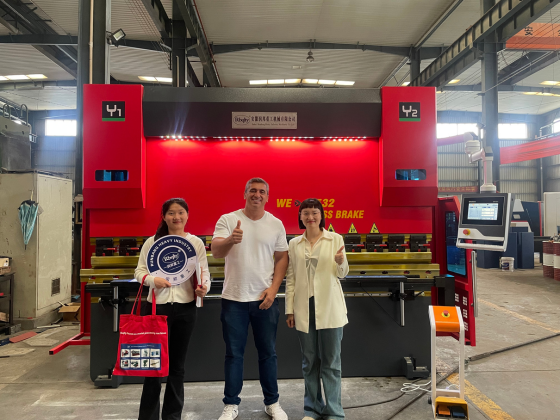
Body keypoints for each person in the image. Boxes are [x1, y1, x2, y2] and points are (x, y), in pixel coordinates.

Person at [212, 177, 290, 420]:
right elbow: (215, 251)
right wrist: (230, 240)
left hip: (264, 300)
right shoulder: (228, 220)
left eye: (262, 192)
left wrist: (274, 288)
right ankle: (231, 404)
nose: (257, 195)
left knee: (268, 352)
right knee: (234, 354)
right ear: (244, 194)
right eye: (253, 191)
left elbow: (282, 258)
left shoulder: (276, 223)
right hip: (234, 299)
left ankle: (272, 403)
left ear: (268, 197)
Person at [135, 198, 211, 420]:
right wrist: (152, 280)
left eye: (180, 212)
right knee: (153, 367)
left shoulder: (195, 243)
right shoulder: (152, 243)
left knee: (177, 367)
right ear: (164, 216)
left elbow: (204, 272)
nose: (176, 217)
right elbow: (139, 272)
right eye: (171, 213)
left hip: (186, 309)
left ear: (187, 215)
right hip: (156, 310)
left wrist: (203, 287)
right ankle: (148, 417)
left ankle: (172, 416)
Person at [285, 198, 349, 420]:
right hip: (304, 307)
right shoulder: (294, 244)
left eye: (314, 212)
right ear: (300, 217)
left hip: (330, 307)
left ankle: (334, 411)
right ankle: (312, 408)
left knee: (331, 362)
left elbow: (342, 274)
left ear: (321, 215)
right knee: (309, 361)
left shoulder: (335, 239)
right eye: (306, 213)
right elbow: (291, 278)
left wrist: (340, 261)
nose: (310, 217)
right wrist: (289, 310)